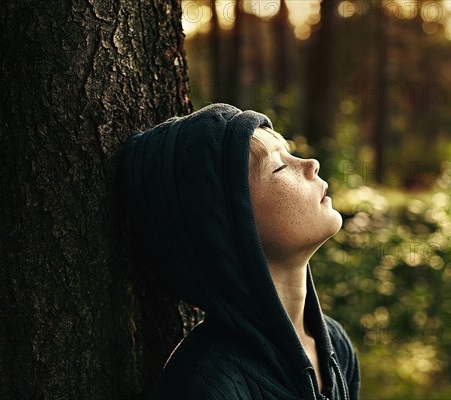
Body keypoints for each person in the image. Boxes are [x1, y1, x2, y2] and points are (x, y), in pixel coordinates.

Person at [122, 103, 360, 400]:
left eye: (289, 153)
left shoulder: (336, 346)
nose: (311, 163)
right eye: (280, 166)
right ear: (227, 225)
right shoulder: (207, 385)